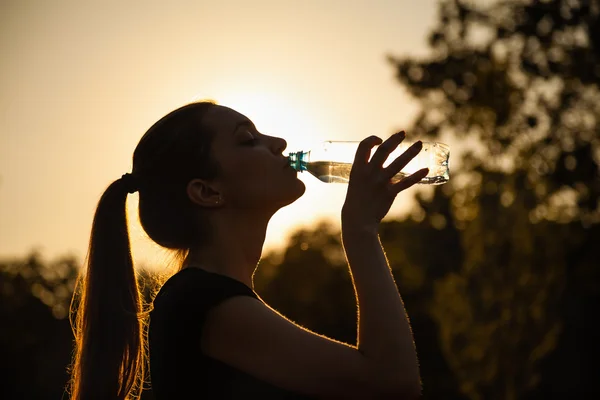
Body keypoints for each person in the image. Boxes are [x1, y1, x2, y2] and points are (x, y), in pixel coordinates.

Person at [67, 100, 428, 399]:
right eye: (247, 139)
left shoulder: (211, 300)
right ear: (207, 192)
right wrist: (361, 232)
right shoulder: (201, 302)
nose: (280, 143)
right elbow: (391, 382)